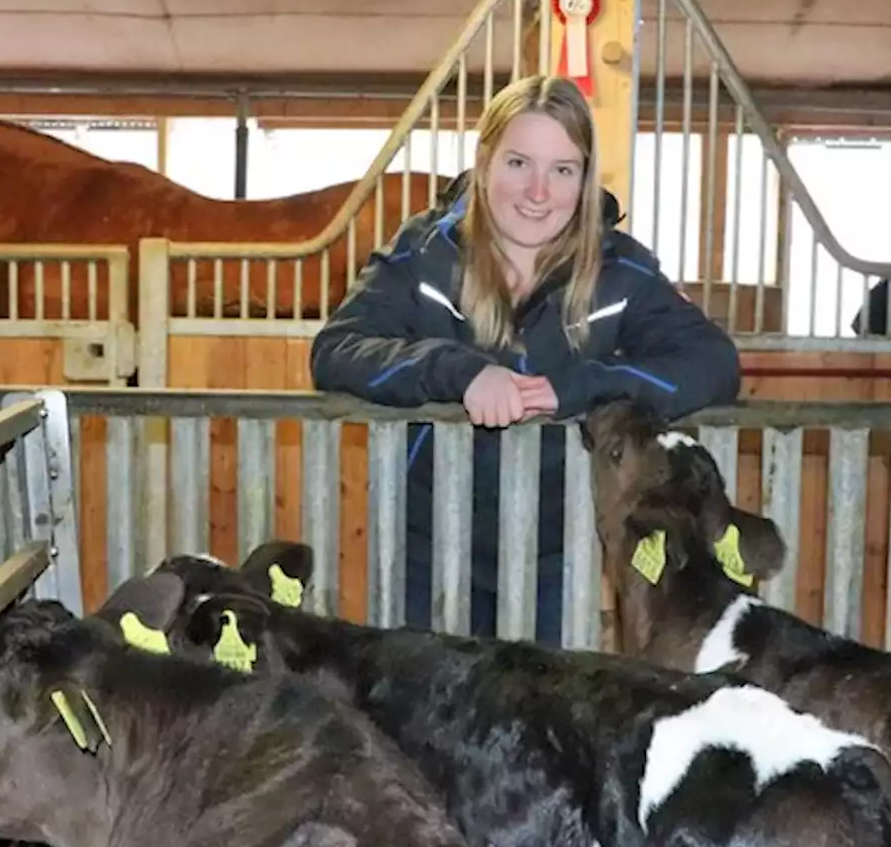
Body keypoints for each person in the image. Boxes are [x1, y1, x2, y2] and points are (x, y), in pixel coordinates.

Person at [308, 74, 741, 645]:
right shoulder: (425, 252)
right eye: (518, 163)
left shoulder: (620, 270)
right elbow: (337, 349)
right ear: (485, 160)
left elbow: (714, 361)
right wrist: (457, 372)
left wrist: (582, 387)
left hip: (556, 547)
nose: (538, 192)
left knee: (544, 713)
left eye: (562, 169)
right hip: (427, 539)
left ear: (584, 178)